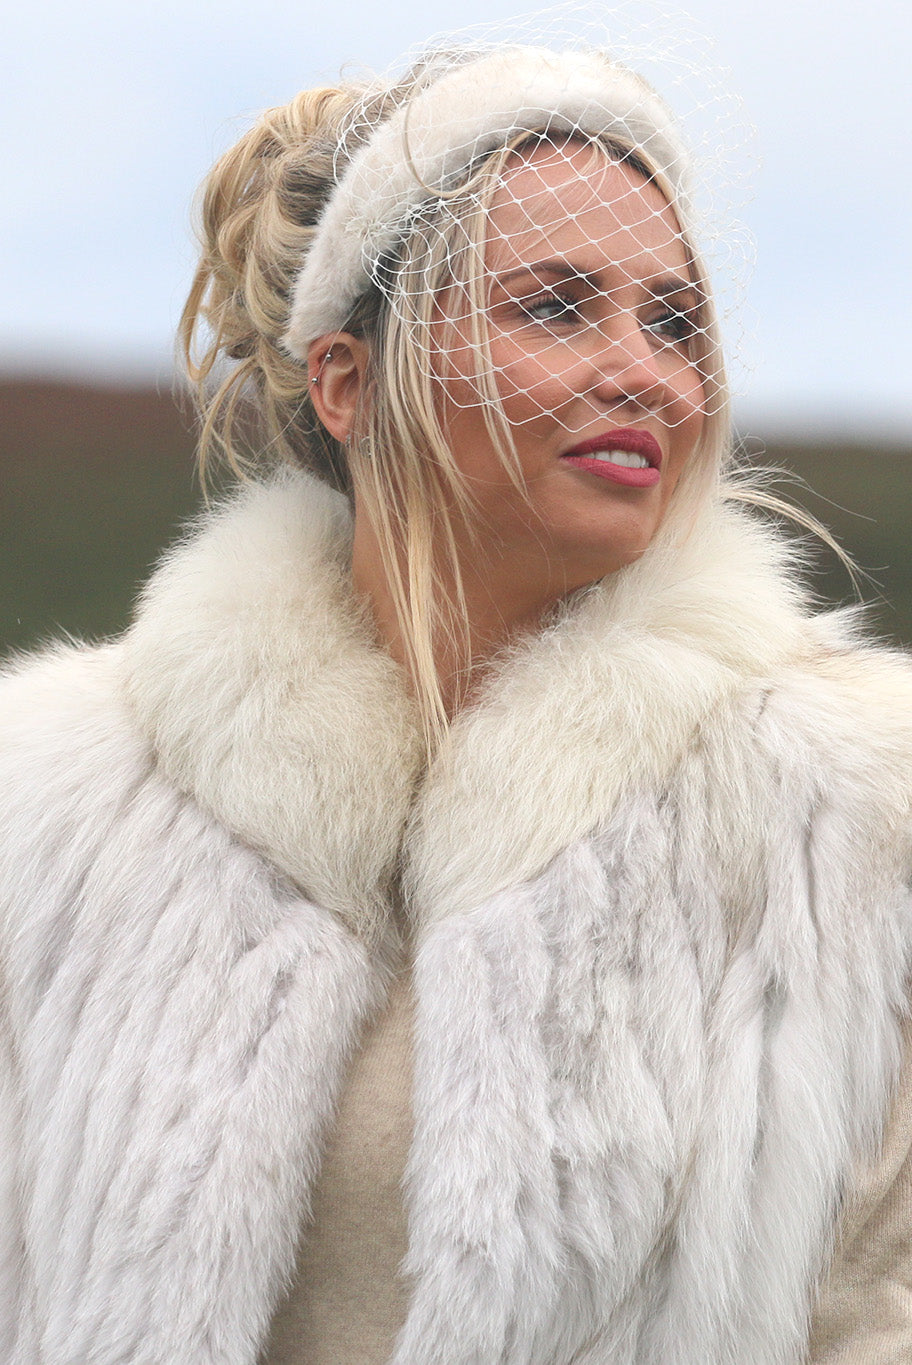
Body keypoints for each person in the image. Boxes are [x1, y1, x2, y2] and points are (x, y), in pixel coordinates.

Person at [1, 33, 911, 1365]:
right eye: (556, 306)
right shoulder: (55, 807)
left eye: (673, 321)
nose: (647, 372)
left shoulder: (859, 807)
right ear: (347, 380)